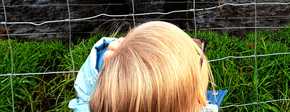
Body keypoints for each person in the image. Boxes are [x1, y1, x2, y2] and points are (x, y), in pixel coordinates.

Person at [69, 21, 227, 112]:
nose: (200, 53)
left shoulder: (108, 102)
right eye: (197, 55)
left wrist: (107, 71)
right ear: (198, 96)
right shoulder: (196, 105)